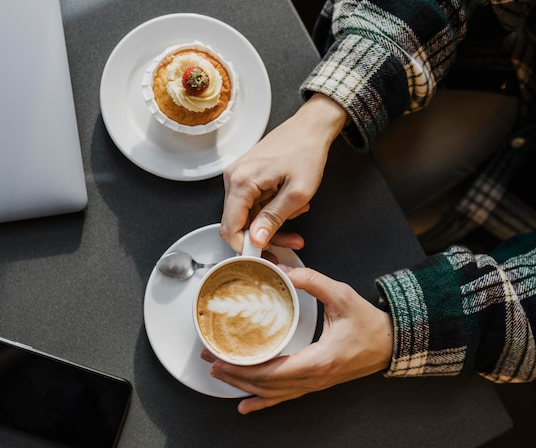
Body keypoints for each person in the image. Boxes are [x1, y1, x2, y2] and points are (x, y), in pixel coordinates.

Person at [200, 0, 536, 414]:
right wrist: (322, 116)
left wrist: (395, 333)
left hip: (519, 201)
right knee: (355, 190)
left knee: (372, 215)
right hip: (502, 64)